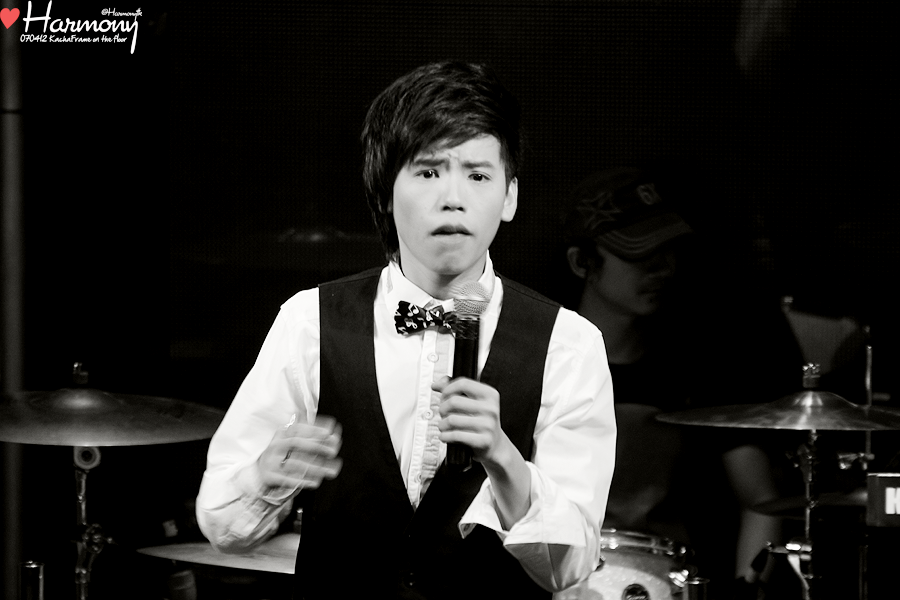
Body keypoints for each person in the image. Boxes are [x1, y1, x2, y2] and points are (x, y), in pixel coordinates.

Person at [196, 61, 617, 600]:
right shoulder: (311, 321)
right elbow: (221, 526)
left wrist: (503, 458)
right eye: (428, 172)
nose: (453, 197)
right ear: (384, 192)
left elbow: (570, 567)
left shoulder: (568, 343)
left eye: (478, 175)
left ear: (510, 197)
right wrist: (265, 477)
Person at [560, 167, 784, 599]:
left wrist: (746, 592)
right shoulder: (540, 362)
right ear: (581, 262)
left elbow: (760, 501)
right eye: (640, 254)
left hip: (665, 578)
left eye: (667, 251)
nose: (662, 268)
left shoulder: (699, 364)